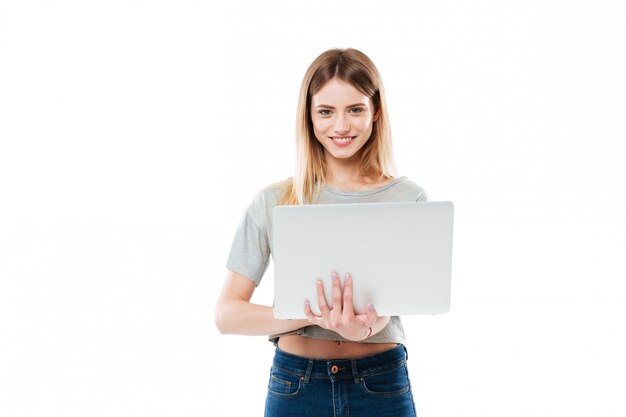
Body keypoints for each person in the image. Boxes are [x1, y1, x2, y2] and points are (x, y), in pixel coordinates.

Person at [215, 48, 427, 417]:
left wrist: (359, 327)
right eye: (326, 111)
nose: (341, 126)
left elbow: (384, 310)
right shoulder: (276, 201)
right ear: (309, 116)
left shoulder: (408, 199)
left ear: (376, 111)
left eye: (355, 109)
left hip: (380, 385)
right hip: (297, 386)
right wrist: (314, 315)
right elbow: (227, 315)